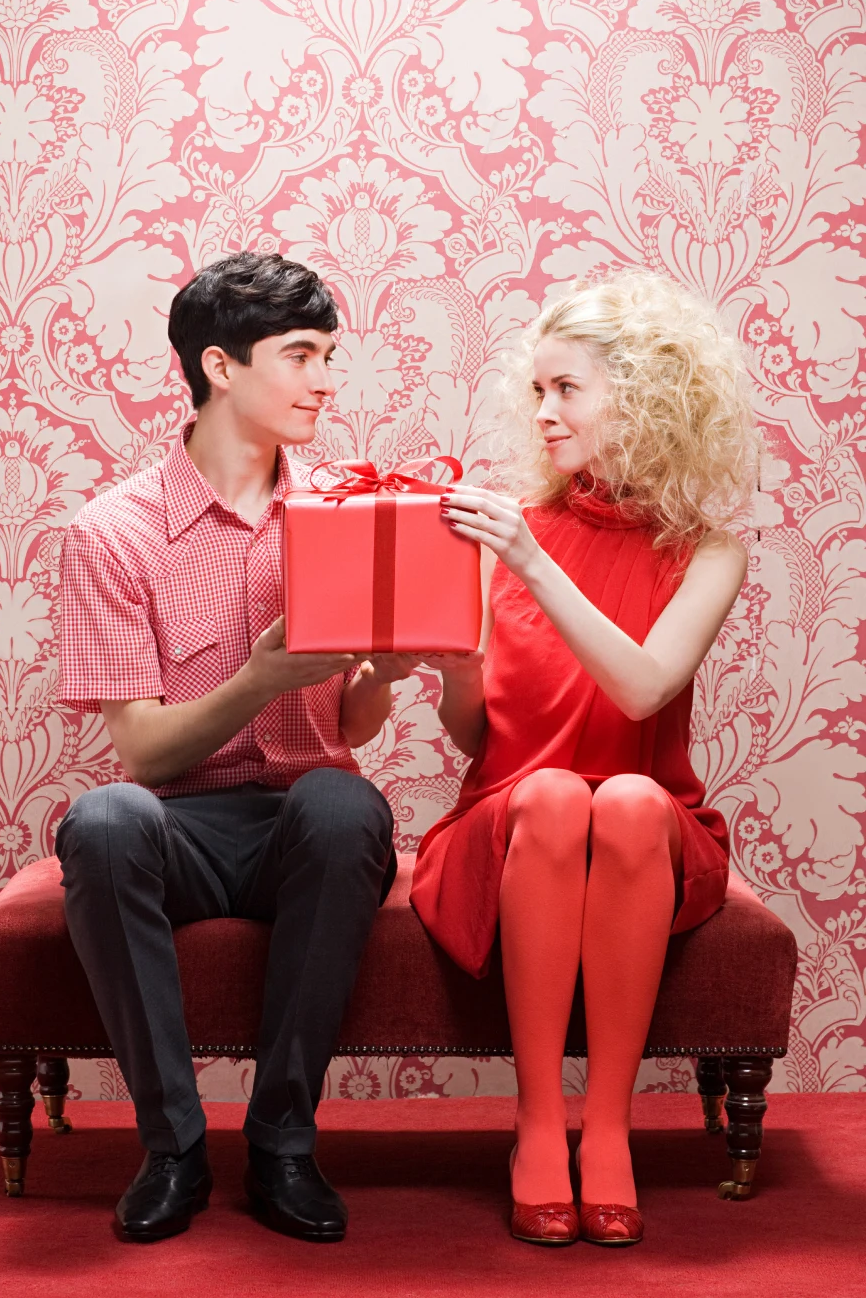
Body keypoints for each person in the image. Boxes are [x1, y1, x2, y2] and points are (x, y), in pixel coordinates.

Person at [54, 251, 421, 1244]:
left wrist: (383, 674)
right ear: (220, 366)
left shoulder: (348, 510)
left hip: (306, 824)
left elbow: (346, 728)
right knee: (101, 818)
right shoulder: (112, 534)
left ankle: (283, 1146)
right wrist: (258, 678)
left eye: (330, 356)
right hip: (178, 824)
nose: (324, 381)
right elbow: (145, 757)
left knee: (346, 802)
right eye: (301, 355)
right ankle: (172, 1149)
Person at [410, 269, 759, 1247]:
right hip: (512, 818)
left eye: (568, 390)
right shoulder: (509, 532)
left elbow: (643, 688)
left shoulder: (706, 551)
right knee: (559, 794)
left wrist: (529, 561)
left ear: (642, 400)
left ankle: (606, 1130)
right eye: (539, 392)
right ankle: (534, 1124)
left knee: (636, 800)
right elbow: (485, 743)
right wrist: (451, 673)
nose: (546, 413)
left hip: (651, 831)